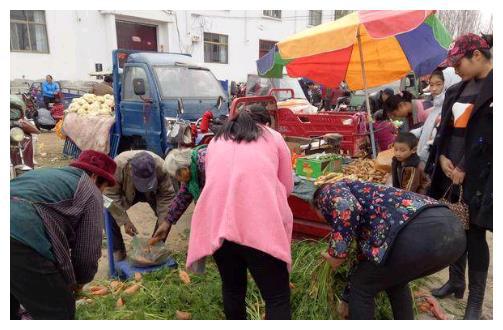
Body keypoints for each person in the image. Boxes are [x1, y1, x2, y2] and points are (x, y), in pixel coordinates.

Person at [181, 104, 294, 320]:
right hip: (259, 227)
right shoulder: (272, 137)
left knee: (233, 289)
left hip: (219, 225)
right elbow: (287, 187)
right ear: (265, 123)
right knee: (277, 296)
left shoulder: (216, 140)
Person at [312, 180, 466, 320]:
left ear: (319, 204)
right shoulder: (367, 210)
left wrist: (337, 254)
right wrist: (347, 299)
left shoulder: (329, 190)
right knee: (394, 280)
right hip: (454, 234)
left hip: (420, 232)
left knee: (362, 287)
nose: (330, 222)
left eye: (324, 218)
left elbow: (345, 206)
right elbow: (363, 262)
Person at [427, 33, 493, 320]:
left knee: (474, 235)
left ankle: (475, 301)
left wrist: (465, 167)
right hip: (448, 171)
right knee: (454, 226)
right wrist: (441, 157)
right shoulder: (456, 91)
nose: (454, 69)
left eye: (458, 62)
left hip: (479, 177)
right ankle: (456, 281)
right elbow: (446, 132)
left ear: (477, 55)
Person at [10, 150, 117, 320]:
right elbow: (87, 254)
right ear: (96, 177)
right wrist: (79, 282)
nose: (102, 193)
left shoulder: (49, 173)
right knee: (60, 311)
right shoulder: (91, 190)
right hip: (20, 235)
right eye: (104, 188)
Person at [152, 106, 275, 242]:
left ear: (183, 170)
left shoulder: (206, 161)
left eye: (177, 177)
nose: (180, 180)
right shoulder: (192, 170)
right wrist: (167, 222)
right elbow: (182, 197)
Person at [104, 150, 176, 261]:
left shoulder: (161, 167)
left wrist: (164, 222)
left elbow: (167, 196)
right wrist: (124, 221)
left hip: (152, 192)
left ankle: (155, 247)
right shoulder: (118, 166)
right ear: (131, 171)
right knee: (106, 211)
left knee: (168, 215)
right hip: (127, 191)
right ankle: (118, 251)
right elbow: (109, 195)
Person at [411, 68, 461, 166]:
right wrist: (411, 134)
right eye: (431, 84)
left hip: (434, 161)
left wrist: (423, 158)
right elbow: (427, 127)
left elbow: (436, 138)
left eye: (438, 84)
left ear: (448, 84)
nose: (433, 89)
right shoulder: (436, 105)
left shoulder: (449, 108)